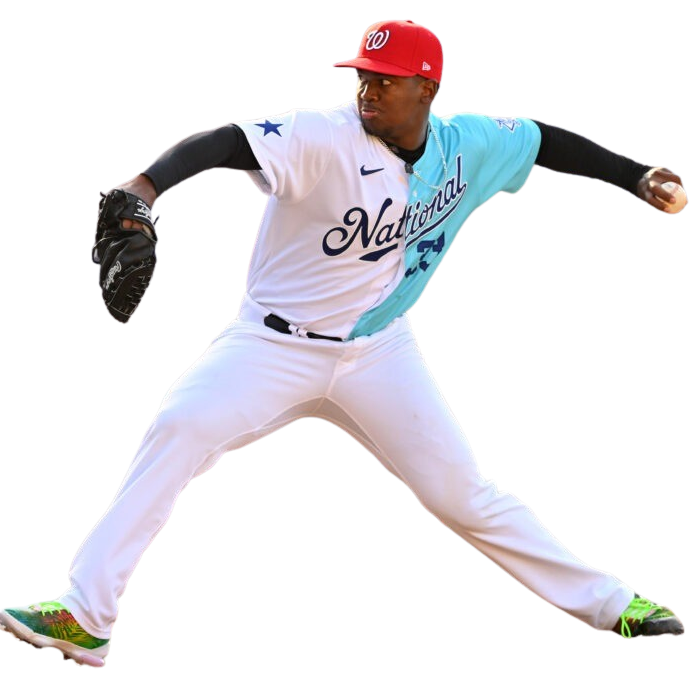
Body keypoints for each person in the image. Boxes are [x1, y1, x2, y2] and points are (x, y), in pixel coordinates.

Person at [0, 18, 686, 668]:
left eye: (387, 78)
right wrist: (145, 187)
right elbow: (225, 143)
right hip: (270, 346)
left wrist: (635, 175)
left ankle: (613, 605)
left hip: (380, 352)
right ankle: (86, 613)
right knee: (179, 428)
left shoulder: (467, 145)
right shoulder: (320, 136)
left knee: (462, 496)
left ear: (428, 89)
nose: (368, 89)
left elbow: (544, 141)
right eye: (363, 73)